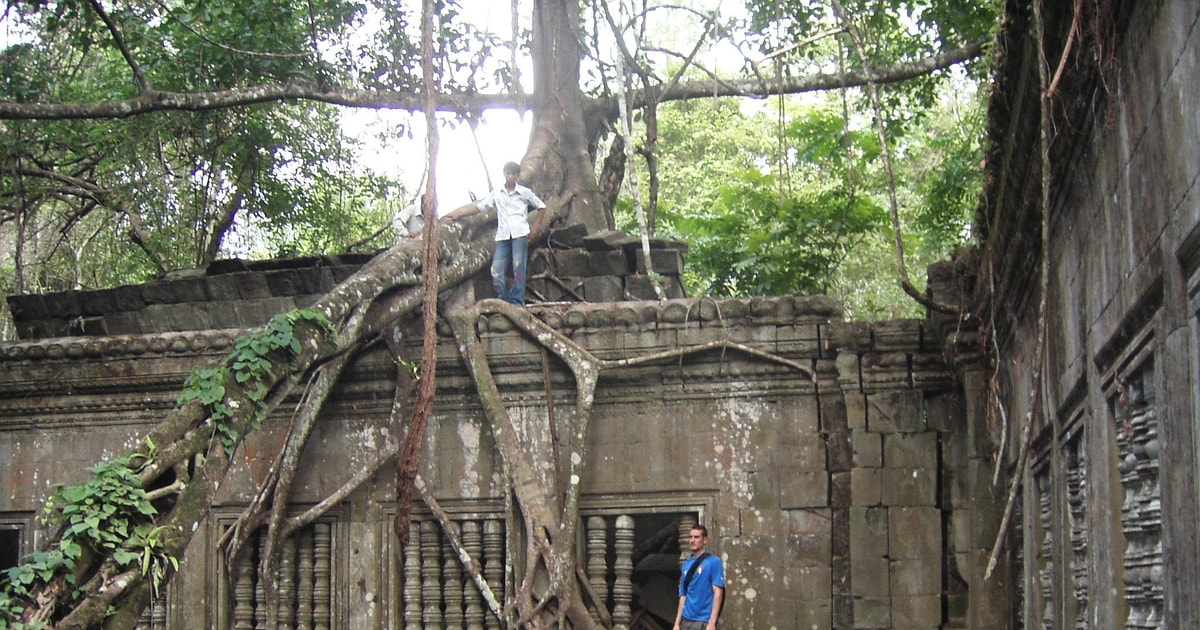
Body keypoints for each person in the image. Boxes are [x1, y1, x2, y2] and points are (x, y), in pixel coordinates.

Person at [446, 161, 546, 305]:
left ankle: (517, 301)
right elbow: (480, 207)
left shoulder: (524, 193)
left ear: (517, 176)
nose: (510, 177)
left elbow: (542, 206)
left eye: (513, 174)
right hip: (503, 235)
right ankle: (502, 299)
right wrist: (459, 214)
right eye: (508, 173)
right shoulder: (497, 193)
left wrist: (535, 227)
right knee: (496, 269)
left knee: (518, 267)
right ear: (504, 174)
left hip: (520, 233)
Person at [674, 524, 725, 630]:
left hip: (703, 621)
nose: (693, 540)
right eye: (690, 537)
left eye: (696, 537)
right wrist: (677, 623)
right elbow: (683, 595)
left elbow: (718, 592)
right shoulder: (686, 564)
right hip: (686, 619)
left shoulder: (713, 562)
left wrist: (712, 622)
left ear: (705, 540)